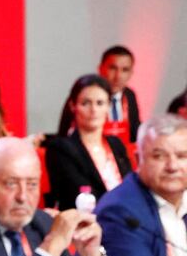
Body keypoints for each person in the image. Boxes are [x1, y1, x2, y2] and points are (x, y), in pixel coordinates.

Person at [95, 114, 187, 256]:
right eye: (159, 156)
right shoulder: (120, 210)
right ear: (138, 159)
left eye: (181, 156)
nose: (172, 167)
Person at [46, 74, 132, 209]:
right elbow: (77, 194)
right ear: (73, 106)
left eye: (100, 103)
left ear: (108, 106)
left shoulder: (116, 144)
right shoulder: (60, 148)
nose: (94, 110)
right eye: (86, 103)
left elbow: (131, 186)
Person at [98, 45, 141, 139]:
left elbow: (135, 132)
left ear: (131, 74)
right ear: (100, 69)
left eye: (125, 70)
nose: (118, 76)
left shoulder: (129, 95)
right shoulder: (86, 96)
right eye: (113, 68)